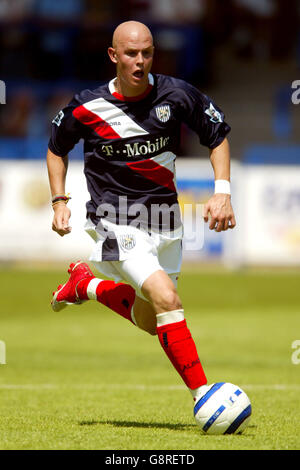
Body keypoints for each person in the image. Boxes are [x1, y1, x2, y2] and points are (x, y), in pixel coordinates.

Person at [47, 21, 236, 408]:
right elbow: (55, 148)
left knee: (153, 321)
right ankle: (206, 398)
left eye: (147, 53)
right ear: (113, 56)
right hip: (114, 218)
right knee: (168, 299)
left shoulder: (177, 94)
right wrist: (60, 200)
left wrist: (223, 193)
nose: (140, 61)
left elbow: (217, 138)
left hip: (166, 221)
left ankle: (87, 286)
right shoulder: (86, 106)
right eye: (131, 54)